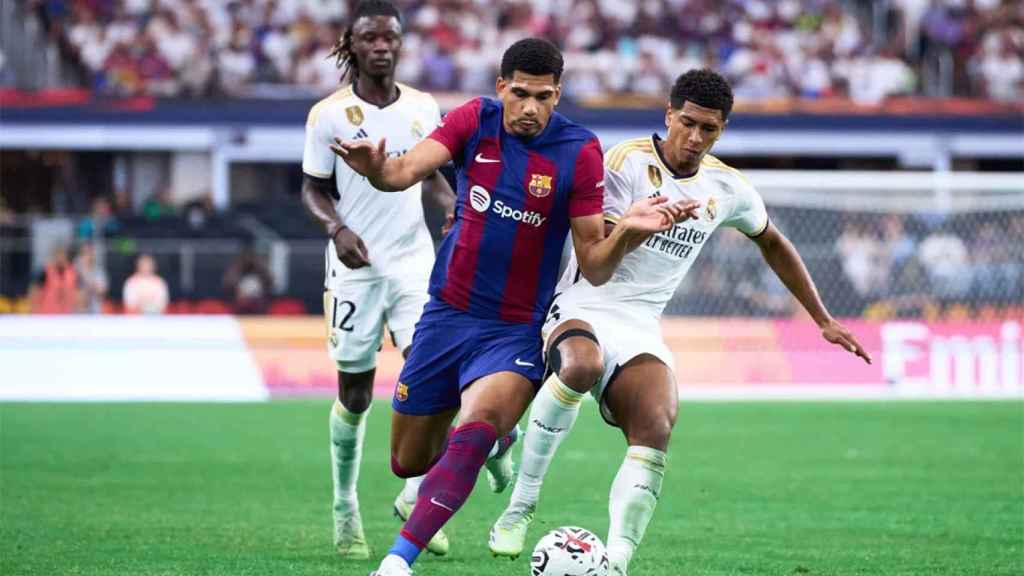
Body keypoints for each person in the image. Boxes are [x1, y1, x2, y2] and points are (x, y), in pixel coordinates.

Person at [334, 37, 698, 576]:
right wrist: (373, 170)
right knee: (407, 461)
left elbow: (595, 265)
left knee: (474, 427)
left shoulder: (580, 150)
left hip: (515, 330)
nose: (531, 107)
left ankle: (397, 561)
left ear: (558, 94)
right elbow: (401, 173)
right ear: (501, 87)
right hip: (446, 317)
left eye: (544, 97)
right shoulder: (472, 120)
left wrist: (627, 232)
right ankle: (505, 439)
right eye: (520, 94)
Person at [489, 69, 873, 576]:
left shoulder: (727, 187)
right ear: (669, 115)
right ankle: (521, 505)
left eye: (708, 130)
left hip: (641, 323)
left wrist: (822, 319)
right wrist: (636, 225)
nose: (694, 138)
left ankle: (616, 563)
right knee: (581, 365)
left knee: (656, 424)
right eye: (686, 123)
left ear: (722, 130)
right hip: (584, 303)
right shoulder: (624, 163)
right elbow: (597, 265)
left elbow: (773, 241)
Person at [299, 0, 457, 561]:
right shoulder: (329, 115)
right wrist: (336, 228)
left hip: (414, 264)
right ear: (353, 44)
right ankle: (345, 506)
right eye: (370, 38)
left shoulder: (422, 106)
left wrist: (452, 208)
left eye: (390, 37)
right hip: (356, 269)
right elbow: (312, 188)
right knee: (357, 394)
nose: (382, 46)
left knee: (432, 383)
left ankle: (416, 497)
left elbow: (435, 171)